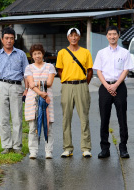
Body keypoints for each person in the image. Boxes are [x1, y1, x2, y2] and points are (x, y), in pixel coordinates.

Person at [93, 26, 133, 159]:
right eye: (109, 34)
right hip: (105, 87)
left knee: (122, 117)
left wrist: (115, 85)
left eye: (114, 34)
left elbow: (126, 70)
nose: (112, 36)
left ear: (118, 35)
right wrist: (107, 86)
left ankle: (123, 148)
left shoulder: (124, 53)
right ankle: (105, 148)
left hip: (120, 87)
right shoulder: (101, 53)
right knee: (104, 118)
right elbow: (98, 70)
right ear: (106, 36)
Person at [0, 27, 29, 154]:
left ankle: (17, 146)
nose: (9, 41)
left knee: (17, 117)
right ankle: (6, 145)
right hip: (2, 86)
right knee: (3, 118)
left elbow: (26, 74)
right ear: (2, 39)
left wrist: (26, 89)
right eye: (6, 38)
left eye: (11, 38)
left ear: (14, 39)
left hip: (17, 86)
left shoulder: (21, 54)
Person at [56, 28, 93, 158]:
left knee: (84, 117)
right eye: (71, 35)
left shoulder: (86, 52)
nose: (73, 38)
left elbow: (90, 71)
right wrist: (67, 80)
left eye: (76, 35)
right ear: (68, 38)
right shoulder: (62, 53)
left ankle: (86, 148)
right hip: (67, 86)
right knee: (66, 117)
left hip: (81, 85)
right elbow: (59, 70)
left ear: (79, 37)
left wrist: (84, 83)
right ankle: (67, 148)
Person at [24, 44, 56, 159]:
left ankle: (48, 152)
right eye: (34, 54)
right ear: (32, 56)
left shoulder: (50, 67)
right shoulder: (29, 68)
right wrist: (41, 92)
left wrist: (37, 83)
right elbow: (30, 84)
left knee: (48, 125)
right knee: (33, 126)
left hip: (47, 100)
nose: (37, 56)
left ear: (43, 54)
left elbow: (50, 83)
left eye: (39, 53)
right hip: (33, 100)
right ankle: (33, 151)